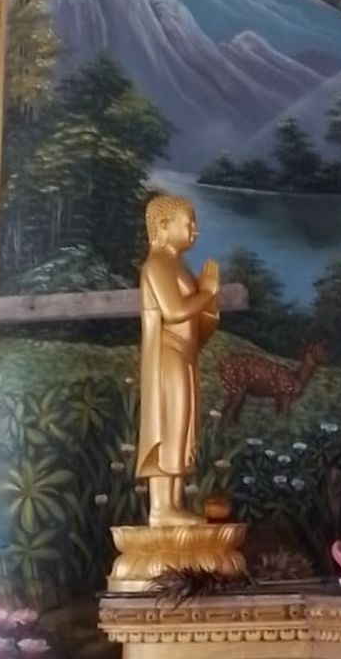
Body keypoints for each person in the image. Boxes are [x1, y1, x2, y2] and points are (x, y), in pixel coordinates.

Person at [138, 195, 220, 527]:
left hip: (184, 355)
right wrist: (206, 294)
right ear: (162, 226)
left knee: (182, 427)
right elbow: (173, 312)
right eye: (188, 222)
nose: (194, 230)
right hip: (166, 355)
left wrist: (210, 304)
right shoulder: (156, 264)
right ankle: (160, 507)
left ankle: (173, 503)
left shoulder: (177, 266)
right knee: (167, 423)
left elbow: (199, 331)